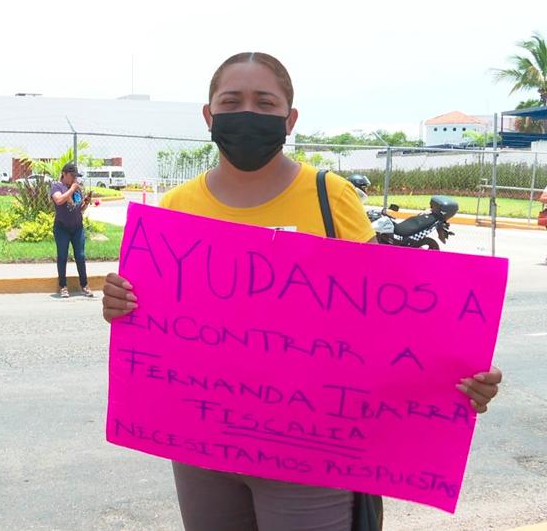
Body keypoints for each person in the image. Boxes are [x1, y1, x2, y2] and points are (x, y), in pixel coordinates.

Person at [101, 52, 503, 531]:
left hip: (312, 453)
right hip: (201, 447)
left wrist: (452, 379)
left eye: (264, 102)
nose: (247, 113)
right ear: (209, 116)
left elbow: (387, 316)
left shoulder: (330, 196)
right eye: (231, 101)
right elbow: (155, 320)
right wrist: (121, 305)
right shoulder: (177, 209)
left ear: (289, 119)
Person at [51, 162, 94, 298]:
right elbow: (59, 200)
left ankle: (85, 285)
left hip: (77, 227)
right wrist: (72, 189)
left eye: (76, 176)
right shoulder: (57, 186)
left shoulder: (76, 189)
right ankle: (63, 286)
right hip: (62, 227)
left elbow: (78, 208)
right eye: (72, 176)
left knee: (80, 256)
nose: (75, 179)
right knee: (62, 256)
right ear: (64, 174)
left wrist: (86, 202)